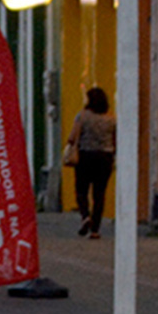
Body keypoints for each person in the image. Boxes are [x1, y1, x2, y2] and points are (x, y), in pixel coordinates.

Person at [65, 86, 116, 239]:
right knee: (99, 193)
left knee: (81, 189)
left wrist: (71, 145)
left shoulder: (82, 116)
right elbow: (116, 139)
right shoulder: (111, 119)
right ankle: (95, 229)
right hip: (105, 157)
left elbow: (73, 136)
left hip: (85, 156)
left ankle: (85, 215)